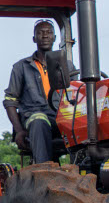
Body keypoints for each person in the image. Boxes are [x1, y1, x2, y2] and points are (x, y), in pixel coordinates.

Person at [4, 19, 75, 164]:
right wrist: (19, 131)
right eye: (40, 33)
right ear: (34, 38)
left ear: (54, 38)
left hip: (61, 116)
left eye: (49, 32)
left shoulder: (67, 66)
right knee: (39, 121)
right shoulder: (21, 67)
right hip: (35, 115)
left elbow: (77, 92)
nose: (45, 36)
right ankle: (44, 170)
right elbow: (10, 101)